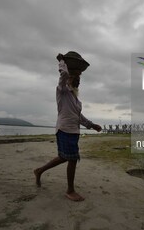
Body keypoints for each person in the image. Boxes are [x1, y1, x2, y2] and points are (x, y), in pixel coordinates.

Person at [34, 52, 101, 202]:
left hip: (74, 131)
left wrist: (92, 125)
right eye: (75, 78)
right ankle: (70, 190)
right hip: (64, 130)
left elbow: (79, 117)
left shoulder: (76, 100)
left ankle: (39, 171)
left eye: (79, 79)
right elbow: (63, 74)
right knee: (72, 158)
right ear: (69, 79)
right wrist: (62, 62)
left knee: (65, 157)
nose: (77, 80)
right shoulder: (62, 91)